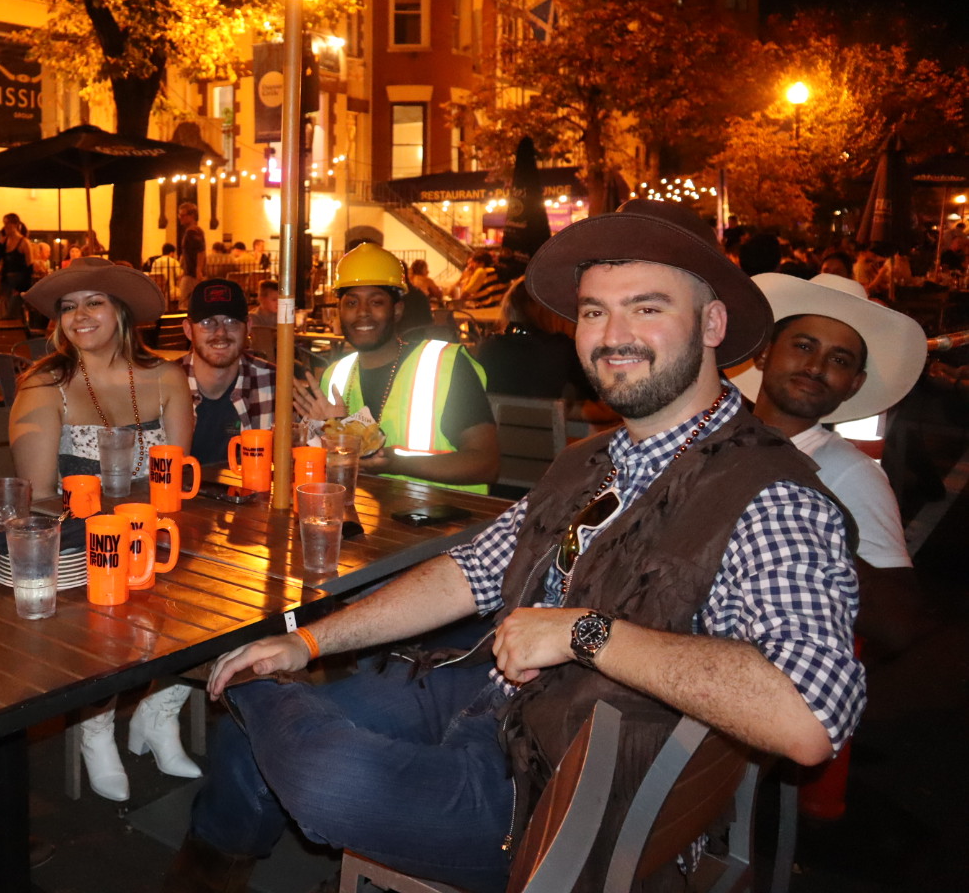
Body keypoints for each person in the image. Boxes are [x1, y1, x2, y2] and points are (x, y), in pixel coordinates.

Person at [165, 200, 863, 893]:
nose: (613, 335)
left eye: (647, 308)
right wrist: (311, 643)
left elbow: (808, 716)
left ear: (712, 324)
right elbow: (472, 569)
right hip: (488, 693)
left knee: (323, 771)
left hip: (556, 793)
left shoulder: (773, 495)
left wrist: (586, 633)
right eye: (594, 311)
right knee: (260, 729)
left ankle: (250, 694)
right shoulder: (596, 459)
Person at [9, 257, 196, 802]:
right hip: (77, 543)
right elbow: (39, 495)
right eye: (68, 307)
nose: (79, 315)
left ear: (122, 310)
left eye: (93, 302)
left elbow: (172, 480)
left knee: (229, 596)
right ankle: (95, 727)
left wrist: (150, 531)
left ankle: (161, 711)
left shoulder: (166, 377)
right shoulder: (49, 382)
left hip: (157, 533)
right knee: (109, 601)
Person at [733, 272, 929, 656]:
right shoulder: (714, 442)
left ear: (854, 384)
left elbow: (898, 619)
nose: (816, 366)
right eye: (803, 346)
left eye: (839, 359)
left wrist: (805, 536)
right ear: (764, 352)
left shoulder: (848, 472)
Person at [294, 243, 498, 492]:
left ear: (397, 310)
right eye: (351, 303)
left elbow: (487, 463)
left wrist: (396, 464)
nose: (362, 313)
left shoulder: (443, 363)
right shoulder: (335, 374)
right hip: (367, 518)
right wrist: (318, 437)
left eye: (376, 302)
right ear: (339, 312)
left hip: (447, 518)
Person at [181, 279, 276, 465]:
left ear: (248, 327)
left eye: (231, 321)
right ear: (188, 330)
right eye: (208, 322)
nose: (220, 333)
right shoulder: (164, 384)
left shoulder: (275, 384)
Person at [472, 277, 593, 400]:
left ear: (510, 308)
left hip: (496, 418)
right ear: (550, 310)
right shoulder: (563, 349)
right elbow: (602, 402)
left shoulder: (489, 348)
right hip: (548, 418)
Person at [0, 212, 34, 319]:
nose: (5, 226)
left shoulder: (24, 242)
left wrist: (23, 287)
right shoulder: (5, 241)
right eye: (4, 224)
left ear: (15, 225)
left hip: (18, 280)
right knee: (1, 308)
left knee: (13, 310)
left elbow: (29, 266)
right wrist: (1, 243)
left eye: (8, 224)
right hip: (6, 280)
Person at [177, 202, 206, 303]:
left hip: (191, 274)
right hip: (190, 273)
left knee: (184, 303)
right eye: (179, 215)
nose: (180, 218)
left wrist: (198, 270)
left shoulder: (192, 232)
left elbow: (200, 250)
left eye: (182, 215)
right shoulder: (196, 231)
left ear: (192, 215)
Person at [151, 242, 183, 308]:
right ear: (171, 253)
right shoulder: (174, 262)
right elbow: (180, 276)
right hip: (170, 291)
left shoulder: (155, 262)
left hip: (157, 291)